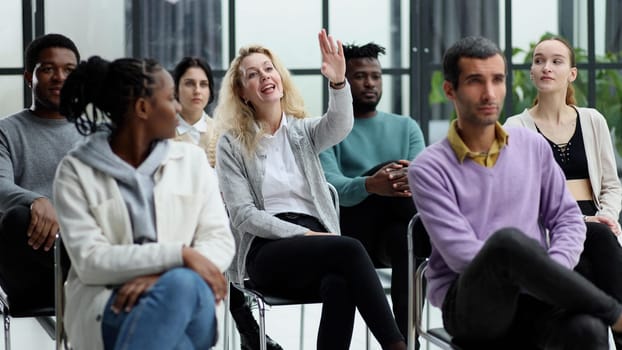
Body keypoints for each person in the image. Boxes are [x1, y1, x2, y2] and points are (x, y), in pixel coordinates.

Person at [409, 35, 622, 349]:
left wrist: (552, 275)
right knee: (506, 244)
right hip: (473, 304)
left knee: (587, 328)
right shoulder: (428, 168)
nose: (489, 93)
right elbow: (462, 255)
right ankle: (616, 314)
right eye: (475, 81)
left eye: (497, 80)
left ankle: (610, 321)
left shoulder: (532, 147)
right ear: (450, 90)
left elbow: (567, 219)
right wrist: (544, 279)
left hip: (537, 296)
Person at [215, 29, 406, 350]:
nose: (264, 76)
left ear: (279, 78)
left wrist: (338, 81)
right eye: (252, 74)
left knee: (340, 284)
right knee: (350, 248)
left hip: (318, 244)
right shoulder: (231, 144)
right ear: (242, 92)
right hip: (267, 249)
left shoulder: (302, 132)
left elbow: (340, 124)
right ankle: (397, 346)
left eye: (268, 68)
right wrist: (301, 235)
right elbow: (244, 215)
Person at [53, 55, 235, 350]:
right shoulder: (76, 170)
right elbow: (90, 260)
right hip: (110, 303)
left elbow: (219, 240)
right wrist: (180, 255)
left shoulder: (192, 161)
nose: (178, 107)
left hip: (192, 301)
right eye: (171, 98)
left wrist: (161, 280)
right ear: (142, 108)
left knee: (180, 287)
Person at [505, 35, 622, 348]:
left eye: (556, 61)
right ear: (531, 71)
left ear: (572, 73)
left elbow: (611, 184)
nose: (546, 67)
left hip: (599, 227)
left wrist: (606, 216)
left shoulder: (593, 120)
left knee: (600, 242)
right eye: (539, 60)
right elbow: (519, 196)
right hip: (550, 232)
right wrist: (583, 225)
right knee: (597, 247)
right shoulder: (515, 127)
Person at [171, 56, 283, 350]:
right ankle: (245, 326)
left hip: (218, 217)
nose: (197, 90)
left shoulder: (224, 131)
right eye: (189, 83)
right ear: (175, 88)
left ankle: (245, 326)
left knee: (228, 226)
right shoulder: (162, 131)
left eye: (204, 84)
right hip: (177, 219)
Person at [318, 42, 425, 341]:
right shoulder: (328, 131)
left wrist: (394, 181)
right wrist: (371, 184)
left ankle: (406, 341)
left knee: (403, 237)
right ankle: (441, 241)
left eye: (375, 76)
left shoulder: (406, 127)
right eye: (360, 76)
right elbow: (333, 191)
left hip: (395, 233)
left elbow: (424, 182)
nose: (370, 83)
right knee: (397, 172)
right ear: (343, 81)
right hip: (351, 231)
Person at [0, 33, 80, 310]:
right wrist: (36, 200)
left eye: (68, 70)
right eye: (48, 69)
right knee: (16, 217)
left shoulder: (98, 134)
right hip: (31, 262)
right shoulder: (7, 130)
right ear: (28, 77)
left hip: (86, 246)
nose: (59, 77)